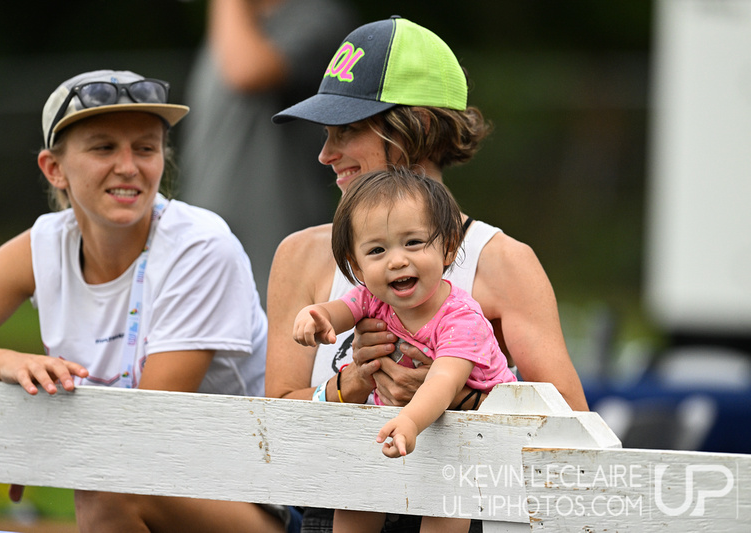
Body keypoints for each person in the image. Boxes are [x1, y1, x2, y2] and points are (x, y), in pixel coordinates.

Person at [267, 16, 589, 531]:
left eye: (346, 131)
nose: (325, 155)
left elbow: (573, 432)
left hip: (456, 509)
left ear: (413, 130)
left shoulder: (503, 259)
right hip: (337, 507)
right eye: (326, 135)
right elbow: (276, 421)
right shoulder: (299, 254)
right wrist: (353, 383)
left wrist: (459, 399)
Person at [0, 69, 296, 533]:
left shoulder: (200, 247)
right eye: (103, 148)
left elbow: (143, 432)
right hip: (145, 484)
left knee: (108, 487)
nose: (129, 166)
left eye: (146, 148)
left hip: (261, 502)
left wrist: (17, 445)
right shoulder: (45, 244)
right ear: (54, 169)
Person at [293, 168, 517, 533]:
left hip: (469, 438)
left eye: (413, 243)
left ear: (448, 247)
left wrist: (410, 421)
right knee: (358, 497)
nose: (396, 260)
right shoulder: (372, 298)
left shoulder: (461, 318)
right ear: (357, 266)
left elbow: (443, 381)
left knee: (446, 506)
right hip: (400, 427)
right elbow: (338, 311)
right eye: (377, 250)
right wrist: (316, 316)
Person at [178, 0, 356, 305]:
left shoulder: (317, 18)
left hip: (274, 246)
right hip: (211, 246)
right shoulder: (232, 31)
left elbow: (247, 72)